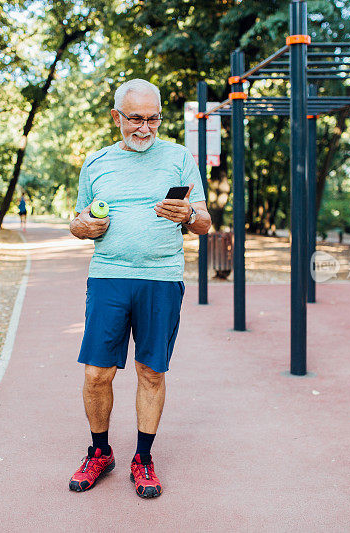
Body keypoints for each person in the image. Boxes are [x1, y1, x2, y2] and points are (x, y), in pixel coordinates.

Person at [68, 79, 211, 498]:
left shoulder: (180, 158)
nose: (144, 127)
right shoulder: (96, 163)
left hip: (162, 279)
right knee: (98, 373)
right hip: (109, 276)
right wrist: (81, 226)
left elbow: (204, 223)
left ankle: (143, 458)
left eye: (152, 118)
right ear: (117, 118)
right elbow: (78, 220)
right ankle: (100, 452)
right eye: (135, 118)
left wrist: (187, 214)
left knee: (151, 371)